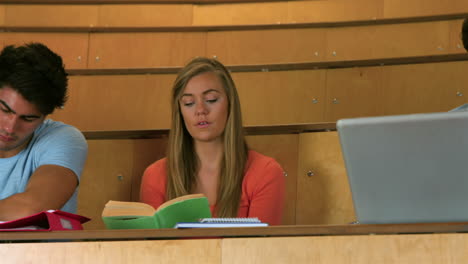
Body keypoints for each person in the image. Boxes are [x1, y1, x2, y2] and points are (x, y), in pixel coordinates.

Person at [140, 57, 285, 225]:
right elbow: (154, 249)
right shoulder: (155, 176)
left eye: (211, 100)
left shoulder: (265, 172)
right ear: (179, 112)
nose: (201, 110)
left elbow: (259, 249)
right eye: (189, 103)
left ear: (230, 104)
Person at [0, 43, 88, 221]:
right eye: (4, 110)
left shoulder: (64, 138)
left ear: (45, 116)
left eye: (28, 118)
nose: (10, 128)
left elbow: (31, 208)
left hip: (42, 250)